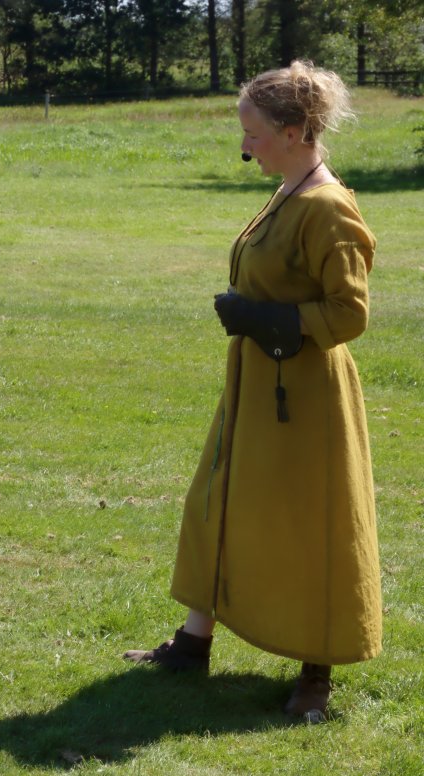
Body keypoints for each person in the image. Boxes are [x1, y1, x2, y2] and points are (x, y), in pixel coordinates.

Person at [124, 60, 382, 720]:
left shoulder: (327, 206)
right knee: (214, 501)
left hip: (306, 399)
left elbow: (349, 313)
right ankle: (192, 641)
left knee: (310, 527)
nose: (245, 145)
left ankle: (316, 673)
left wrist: (271, 320)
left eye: (255, 133)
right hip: (257, 388)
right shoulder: (288, 190)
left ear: (295, 131)